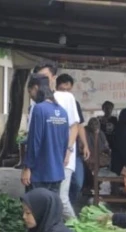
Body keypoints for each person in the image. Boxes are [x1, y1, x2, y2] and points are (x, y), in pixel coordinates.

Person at [33, 62, 87, 219]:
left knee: (61, 199)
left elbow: (75, 126)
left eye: (45, 77)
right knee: (49, 199)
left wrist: (69, 151)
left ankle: (77, 231)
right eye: (39, 77)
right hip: (45, 160)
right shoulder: (37, 98)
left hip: (63, 159)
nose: (42, 81)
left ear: (53, 78)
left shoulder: (66, 98)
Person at [22, 74, 69, 195]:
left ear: (36, 88)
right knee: (51, 210)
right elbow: (65, 144)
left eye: (30, 91)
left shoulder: (39, 109)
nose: (31, 96)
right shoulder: (63, 112)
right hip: (57, 173)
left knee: (35, 211)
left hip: (39, 173)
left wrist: (27, 167)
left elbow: (34, 141)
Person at [55, 73, 91, 204]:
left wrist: (85, 145)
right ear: (56, 86)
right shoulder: (51, 102)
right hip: (57, 151)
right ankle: (62, 208)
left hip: (72, 151)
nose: (65, 92)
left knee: (78, 182)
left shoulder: (73, 102)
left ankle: (68, 205)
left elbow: (79, 125)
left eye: (68, 90)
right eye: (62, 89)